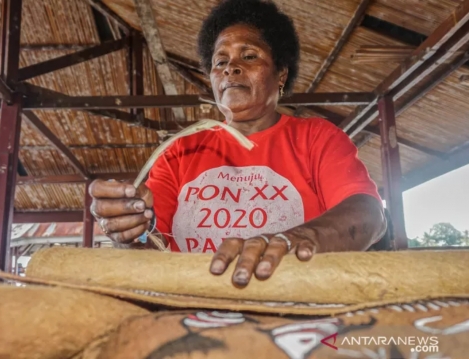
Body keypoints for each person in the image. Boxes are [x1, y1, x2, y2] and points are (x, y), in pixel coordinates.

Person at [89, 0, 387, 287]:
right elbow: (152, 243)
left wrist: (300, 237)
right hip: (195, 315)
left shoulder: (316, 138)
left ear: (280, 74)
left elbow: (369, 216)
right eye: (221, 61)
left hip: (295, 319)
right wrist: (130, 229)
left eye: (249, 56)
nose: (231, 68)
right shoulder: (180, 151)